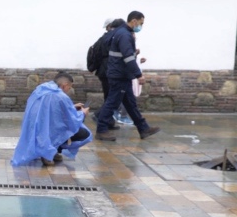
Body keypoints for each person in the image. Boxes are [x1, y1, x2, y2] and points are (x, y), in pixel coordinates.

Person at [95, 11, 160, 141]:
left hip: (121, 74)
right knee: (112, 102)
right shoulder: (125, 34)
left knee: (130, 104)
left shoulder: (121, 32)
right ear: (134, 21)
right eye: (141, 23)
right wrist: (138, 74)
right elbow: (128, 57)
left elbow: (124, 53)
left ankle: (143, 128)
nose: (141, 26)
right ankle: (101, 129)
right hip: (120, 75)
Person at [11, 71, 93, 166]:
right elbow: (71, 120)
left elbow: (51, 111)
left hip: (33, 129)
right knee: (84, 133)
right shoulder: (60, 96)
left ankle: (51, 151)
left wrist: (72, 107)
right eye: (69, 88)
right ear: (64, 85)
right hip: (47, 131)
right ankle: (49, 152)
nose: (68, 90)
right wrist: (82, 113)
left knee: (56, 128)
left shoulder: (40, 89)